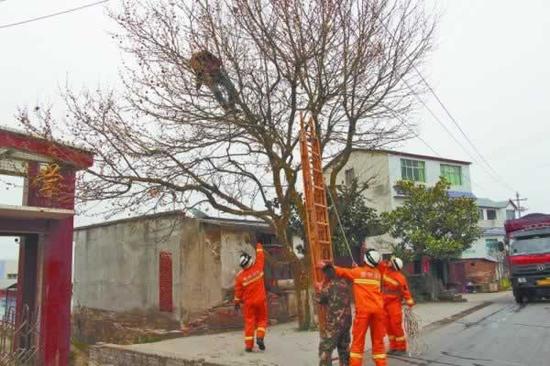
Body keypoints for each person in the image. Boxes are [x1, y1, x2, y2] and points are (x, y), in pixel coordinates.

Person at [322, 249, 387, 366]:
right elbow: (367, 272)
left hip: (364, 311)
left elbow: (340, 271)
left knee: (358, 342)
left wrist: (326, 266)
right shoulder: (378, 274)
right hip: (378, 310)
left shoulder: (356, 272)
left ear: (366, 259)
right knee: (378, 341)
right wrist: (357, 269)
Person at [315, 263, 352, 366]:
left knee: (325, 349)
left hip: (334, 325)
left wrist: (319, 287)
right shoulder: (345, 284)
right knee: (344, 350)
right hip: (346, 323)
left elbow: (319, 299)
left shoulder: (329, 287)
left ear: (326, 275)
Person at [233, 241, 268, 352]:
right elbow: (261, 255)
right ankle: (260, 337)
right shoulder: (258, 267)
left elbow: (238, 292)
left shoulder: (240, 277)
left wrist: (236, 302)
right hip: (261, 300)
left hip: (248, 303)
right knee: (262, 319)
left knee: (249, 323)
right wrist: (258, 244)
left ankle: (249, 346)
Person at [381, 256, 415, 354]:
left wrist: (409, 302)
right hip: (384, 303)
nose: (389, 262)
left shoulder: (400, 277)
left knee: (395, 325)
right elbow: (379, 264)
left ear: (394, 265)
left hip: (394, 304)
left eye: (391, 261)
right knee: (388, 326)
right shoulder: (385, 270)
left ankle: (401, 347)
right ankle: (393, 347)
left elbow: (405, 290)